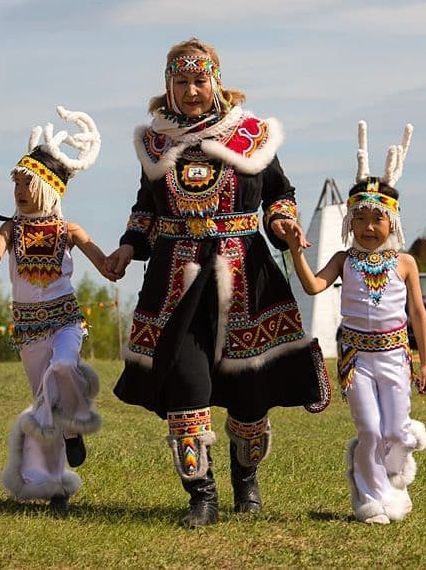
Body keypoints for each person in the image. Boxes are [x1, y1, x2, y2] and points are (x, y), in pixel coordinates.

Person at [104, 38, 331, 528]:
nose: (191, 91)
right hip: (175, 282)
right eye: (181, 81)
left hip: (247, 274)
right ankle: (200, 496)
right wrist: (128, 246)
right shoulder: (155, 142)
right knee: (187, 383)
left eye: (199, 80)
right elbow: (146, 210)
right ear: (168, 85)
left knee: (249, 395)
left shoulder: (250, 135)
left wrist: (284, 222)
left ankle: (245, 483)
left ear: (216, 81)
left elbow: (279, 194)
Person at [286, 121, 426, 524]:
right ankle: (370, 498)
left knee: (396, 432)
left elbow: (418, 313)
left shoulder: (405, 263)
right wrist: (297, 252)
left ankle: (393, 485)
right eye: (361, 219)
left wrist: (425, 364)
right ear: (350, 222)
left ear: (392, 223)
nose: (369, 228)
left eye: (377, 219)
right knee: (369, 429)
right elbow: (314, 286)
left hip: (396, 358)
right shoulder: (343, 260)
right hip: (357, 360)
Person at [0, 106, 108, 511]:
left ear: (49, 189)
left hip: (65, 322)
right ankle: (55, 488)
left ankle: (74, 426)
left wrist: (121, 258)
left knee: (63, 370)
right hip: (28, 331)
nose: (20, 192)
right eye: (16, 185)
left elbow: (105, 265)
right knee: (45, 404)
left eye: (27, 184)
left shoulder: (70, 231)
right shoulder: (11, 229)